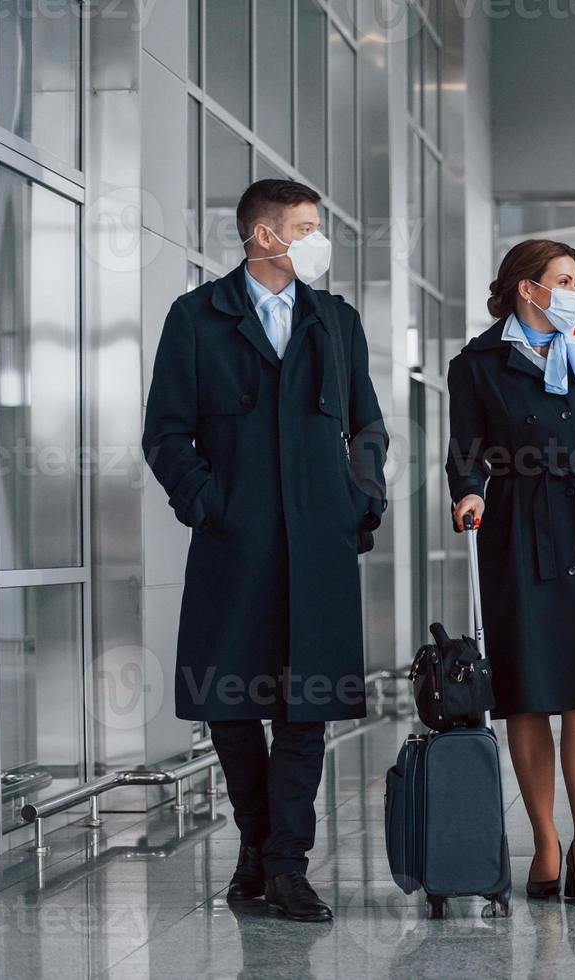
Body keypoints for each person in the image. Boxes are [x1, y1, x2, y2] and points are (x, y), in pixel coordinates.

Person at [142, 178, 388, 922]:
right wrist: (211, 506)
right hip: (235, 547)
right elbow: (165, 433)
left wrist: (359, 501)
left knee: (304, 710)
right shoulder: (197, 318)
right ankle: (258, 843)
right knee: (234, 704)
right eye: (307, 227)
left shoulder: (336, 321)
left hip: (318, 546)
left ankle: (285, 866)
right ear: (264, 236)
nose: (318, 240)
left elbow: (368, 426)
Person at [446, 239, 575, 905]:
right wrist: (469, 491)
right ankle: (545, 841)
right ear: (528, 288)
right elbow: (465, 450)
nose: (573, 292)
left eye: (574, 280)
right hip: (517, 530)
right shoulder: (476, 364)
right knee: (526, 692)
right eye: (564, 280)